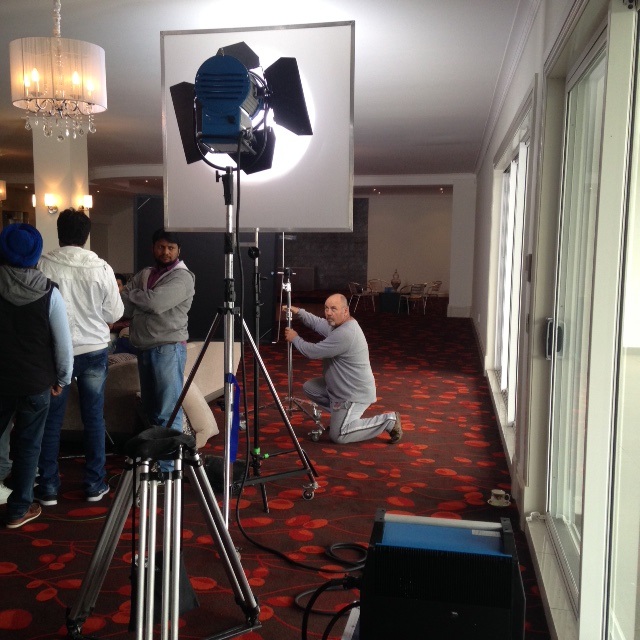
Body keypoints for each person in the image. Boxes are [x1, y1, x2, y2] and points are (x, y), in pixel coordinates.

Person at [36, 208, 124, 505]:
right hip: (94, 349)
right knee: (94, 418)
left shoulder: (43, 265)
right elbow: (115, 313)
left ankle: (48, 487)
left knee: (51, 421)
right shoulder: (101, 268)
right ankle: (94, 484)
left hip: (54, 352)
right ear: (86, 236)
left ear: (59, 233)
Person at [0, 223, 73, 528]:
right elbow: (63, 344)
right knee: (29, 445)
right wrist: (62, 379)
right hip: (36, 382)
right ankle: (19, 508)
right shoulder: (48, 292)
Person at [120, 229, 195, 471]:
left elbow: (156, 303)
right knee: (152, 410)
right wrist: (141, 297)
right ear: (153, 248)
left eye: (171, 248)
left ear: (178, 250)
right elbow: (123, 305)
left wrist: (135, 295)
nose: (165, 252)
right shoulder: (145, 274)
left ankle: (169, 468)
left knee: (167, 411)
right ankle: (157, 461)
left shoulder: (183, 277)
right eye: (161, 247)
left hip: (168, 349)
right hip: (144, 347)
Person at [284, 293, 402, 444]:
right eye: (326, 308)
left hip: (353, 394)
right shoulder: (339, 324)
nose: (328, 313)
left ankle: (389, 420)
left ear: (345, 311)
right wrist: (299, 312)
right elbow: (318, 323)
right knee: (310, 388)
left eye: (333, 309)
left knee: (338, 436)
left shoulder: (345, 333)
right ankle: (341, 416)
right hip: (341, 389)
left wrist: (295, 338)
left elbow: (312, 352)